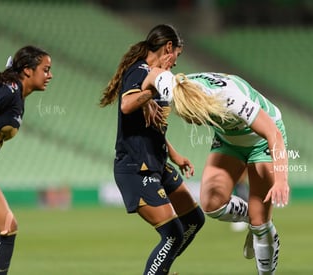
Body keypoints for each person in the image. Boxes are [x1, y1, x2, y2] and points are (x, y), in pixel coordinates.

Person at [142, 68, 289, 275]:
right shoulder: (176, 88)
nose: (191, 122)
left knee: (261, 224)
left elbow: (273, 134)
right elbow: (151, 74)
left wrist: (281, 180)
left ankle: (262, 237)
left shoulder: (229, 99)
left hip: (261, 141)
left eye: (193, 117)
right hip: (229, 139)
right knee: (211, 204)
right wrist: (147, 101)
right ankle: (254, 218)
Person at [99, 24, 205, 275]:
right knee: (173, 234)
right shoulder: (141, 71)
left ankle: (160, 269)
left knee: (194, 220)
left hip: (158, 163)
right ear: (168, 48)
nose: (175, 63)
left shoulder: (155, 76)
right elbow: (126, 105)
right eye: (176, 55)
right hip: (136, 168)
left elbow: (151, 127)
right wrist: (148, 94)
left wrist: (175, 154)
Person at [0, 45, 53, 275]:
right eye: (46, 69)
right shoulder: (9, 90)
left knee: (7, 227)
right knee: (7, 227)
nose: (50, 75)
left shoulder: (16, 94)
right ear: (28, 70)